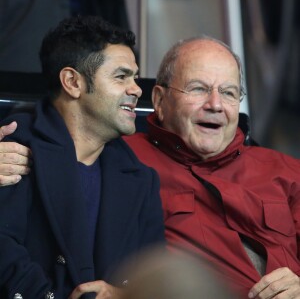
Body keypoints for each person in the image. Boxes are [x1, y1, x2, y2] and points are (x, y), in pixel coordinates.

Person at [1, 36, 300, 298]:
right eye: (198, 89)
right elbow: (65, 132)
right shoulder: (120, 157)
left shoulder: (285, 170)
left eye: (229, 93)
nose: (215, 104)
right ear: (159, 100)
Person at [0, 15, 165, 299]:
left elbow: (155, 275)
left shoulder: (141, 180)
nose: (137, 90)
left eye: (135, 78)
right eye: (121, 76)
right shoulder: (14, 144)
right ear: (72, 82)